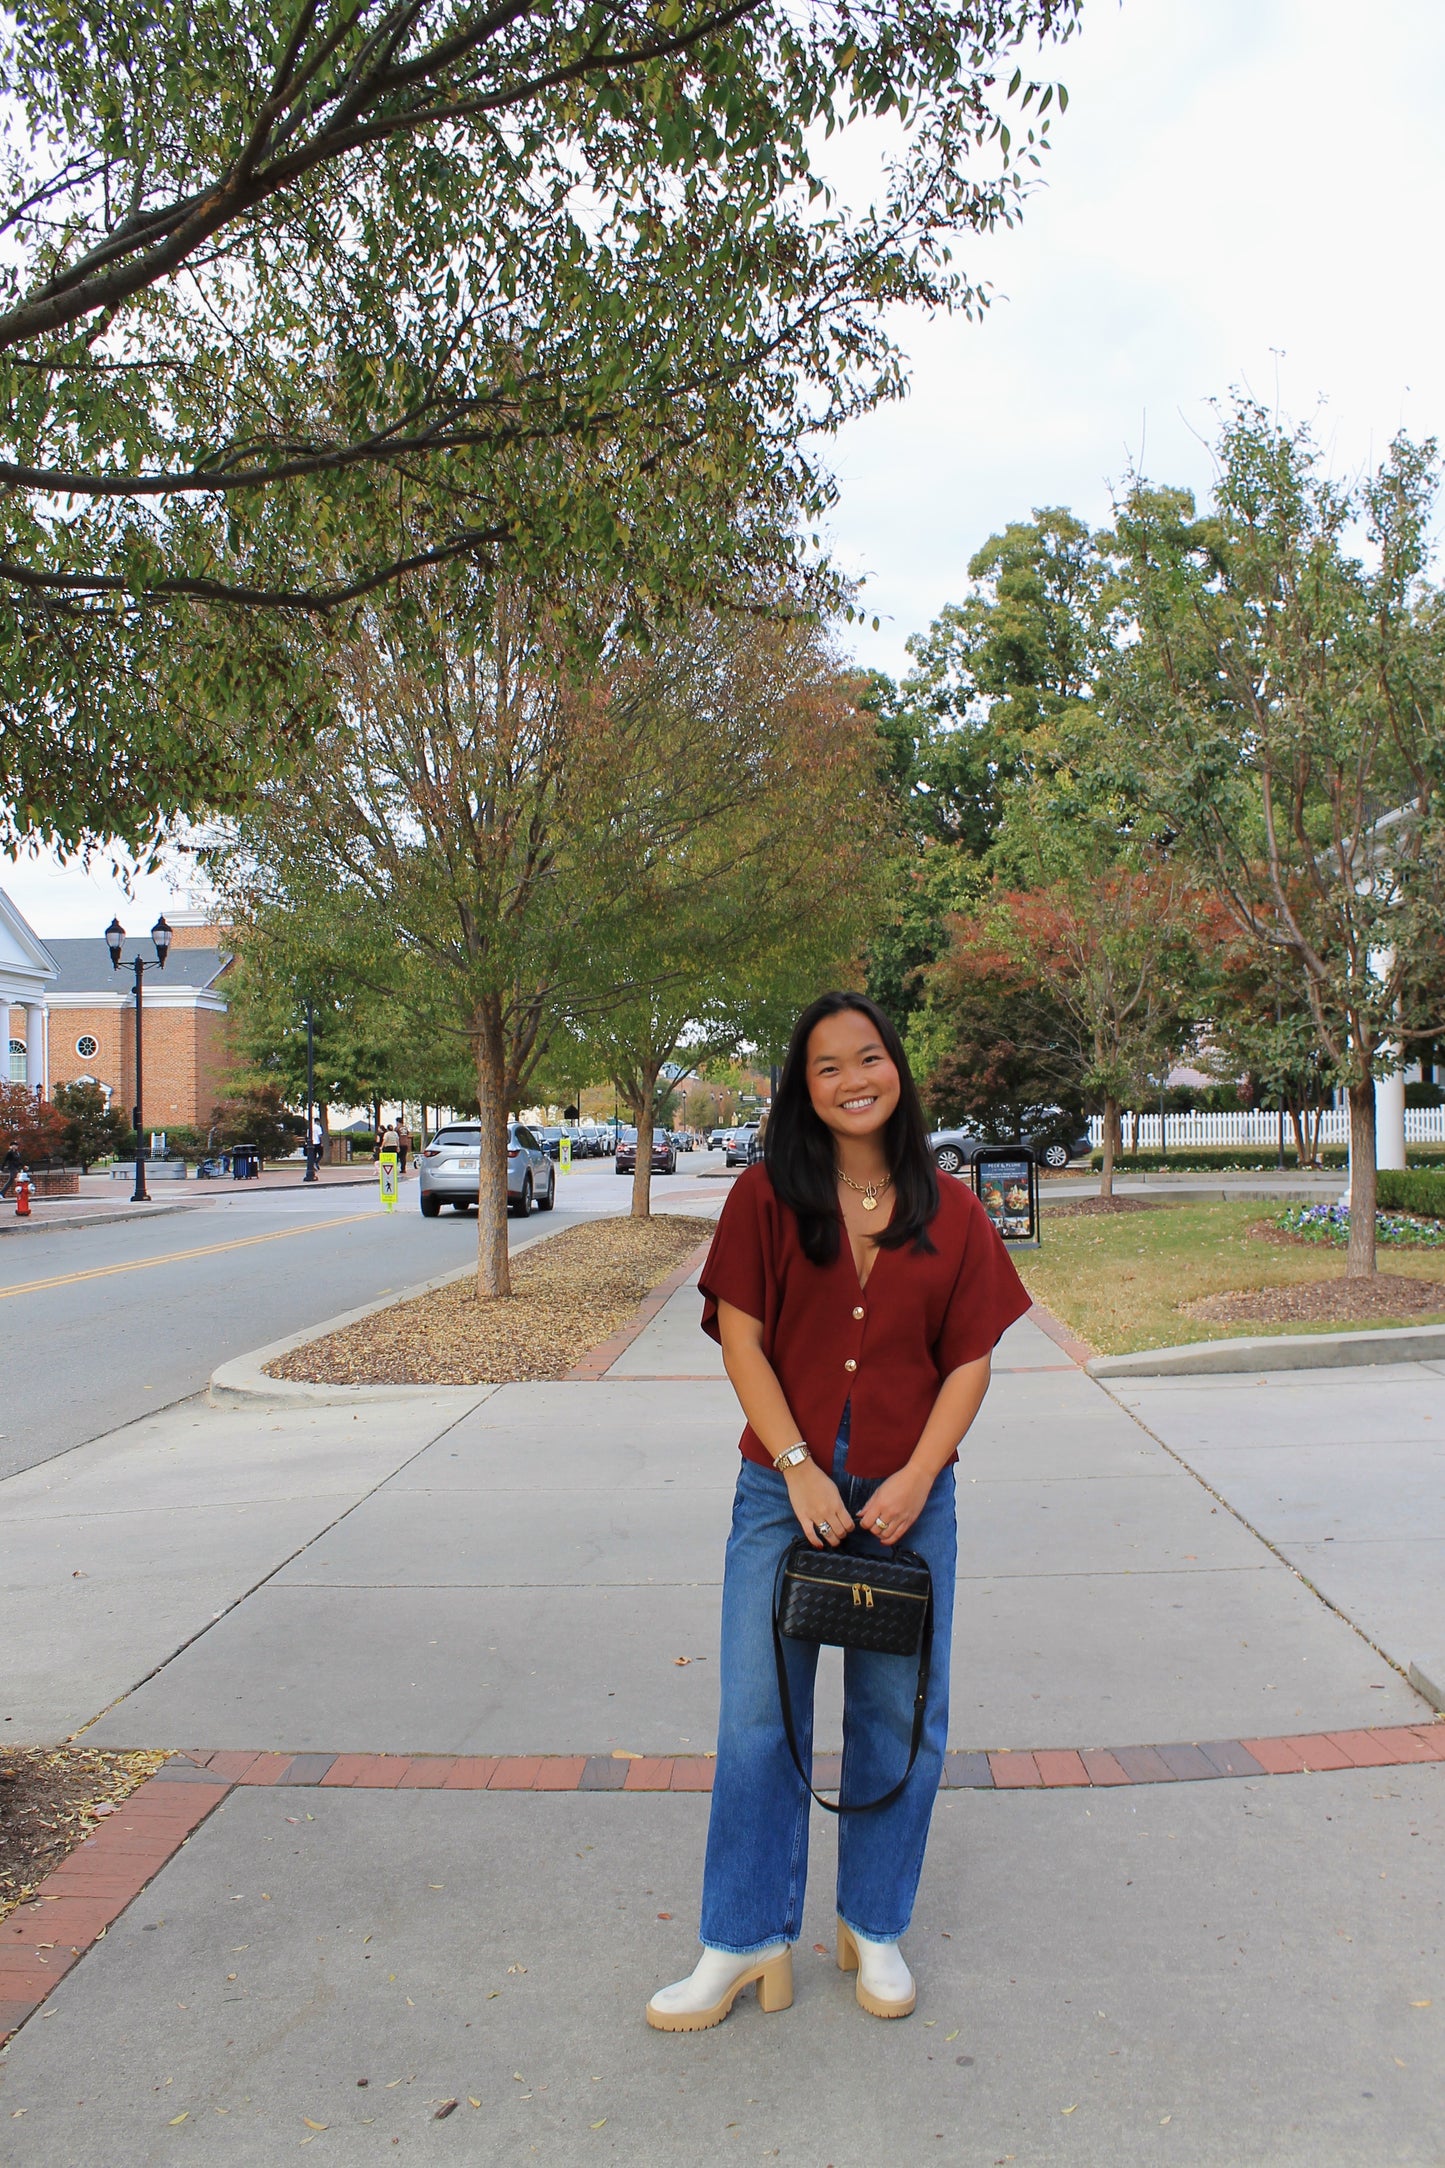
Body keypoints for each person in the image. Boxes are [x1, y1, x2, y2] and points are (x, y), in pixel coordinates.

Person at [646, 992, 1030, 2034]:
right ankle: (743, 1937)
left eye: (869, 1057)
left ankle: (873, 1923)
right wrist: (800, 1465)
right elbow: (739, 1336)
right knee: (756, 1715)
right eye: (827, 1065)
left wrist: (915, 1475)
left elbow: (972, 1357)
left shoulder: (949, 1207)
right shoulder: (768, 1195)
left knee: (898, 1716)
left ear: (894, 1068)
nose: (853, 1077)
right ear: (800, 1087)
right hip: (783, 1494)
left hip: (911, 1500)